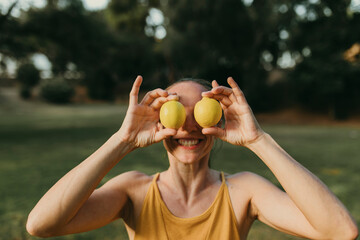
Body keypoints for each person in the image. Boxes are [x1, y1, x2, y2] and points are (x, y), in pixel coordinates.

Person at [26, 76, 358, 240]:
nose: (188, 126)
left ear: (216, 118)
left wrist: (259, 140)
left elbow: (341, 231)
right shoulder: (134, 192)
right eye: (176, 112)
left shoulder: (244, 193)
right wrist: (122, 140)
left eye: (199, 111)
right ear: (159, 122)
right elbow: (40, 225)